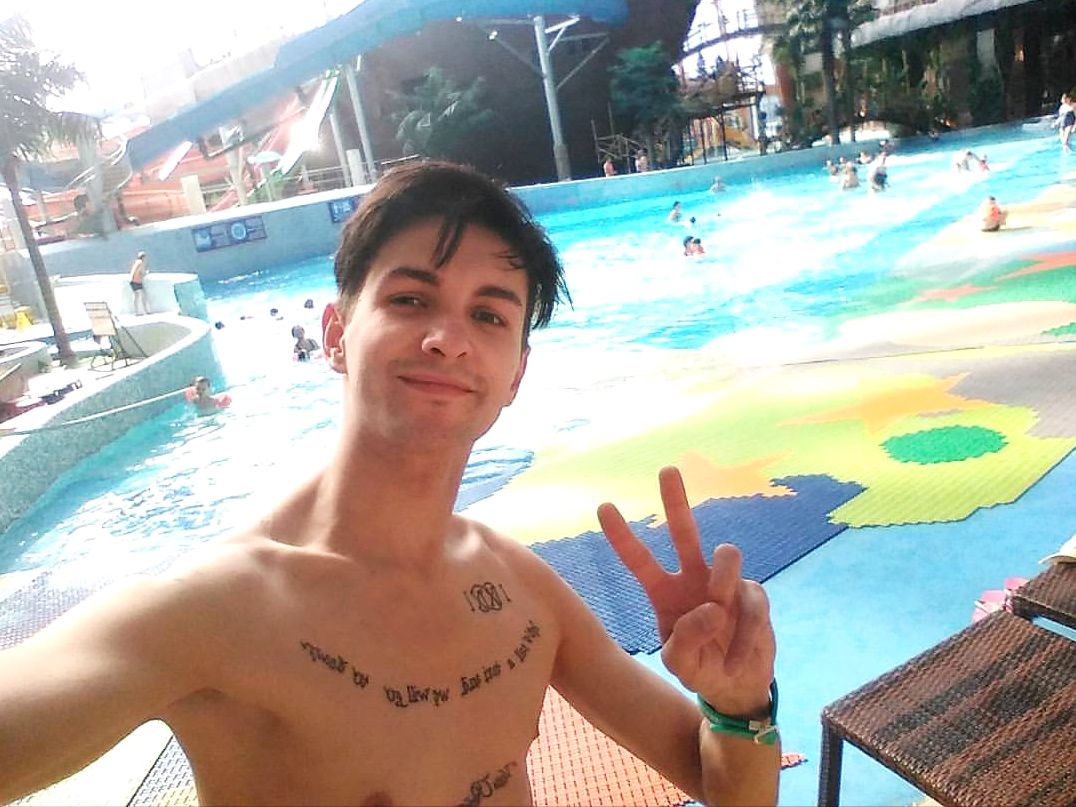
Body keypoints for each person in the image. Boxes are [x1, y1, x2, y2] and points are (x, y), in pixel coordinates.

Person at [0, 162, 779, 806]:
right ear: (337, 335)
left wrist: (738, 702)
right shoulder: (215, 611)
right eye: (410, 300)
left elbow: (729, 787)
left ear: (516, 374)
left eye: (489, 316)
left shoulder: (523, 591)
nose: (448, 339)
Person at [128, 251, 149, 315]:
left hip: (132, 280)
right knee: (144, 295)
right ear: (143, 257)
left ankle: (136, 312)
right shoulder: (141, 263)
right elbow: (142, 272)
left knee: (136, 296)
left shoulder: (136, 262)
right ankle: (145, 310)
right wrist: (146, 272)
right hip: (137, 281)